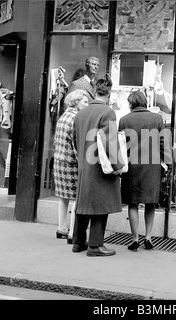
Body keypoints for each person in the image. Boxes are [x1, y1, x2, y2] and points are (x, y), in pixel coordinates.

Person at [72, 74, 124, 257]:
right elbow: (111, 142)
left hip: (84, 165)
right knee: (100, 206)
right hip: (100, 168)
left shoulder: (80, 113)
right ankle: (95, 245)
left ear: (94, 92)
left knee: (84, 203)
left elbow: (75, 142)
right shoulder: (107, 113)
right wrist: (119, 166)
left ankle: (78, 242)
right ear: (109, 94)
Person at [118, 91, 172, 251]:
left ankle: (135, 239)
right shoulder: (156, 119)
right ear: (145, 102)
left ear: (131, 103)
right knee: (150, 203)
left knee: (133, 203)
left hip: (132, 167)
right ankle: (148, 237)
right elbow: (164, 143)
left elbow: (120, 145)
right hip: (152, 167)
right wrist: (167, 163)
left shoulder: (124, 120)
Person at [53, 89, 89, 243]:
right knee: (77, 198)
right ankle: (73, 233)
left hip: (59, 161)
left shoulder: (63, 116)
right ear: (76, 102)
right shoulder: (76, 118)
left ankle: (62, 228)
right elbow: (76, 144)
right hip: (71, 164)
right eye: (85, 102)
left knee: (63, 197)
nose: (87, 104)